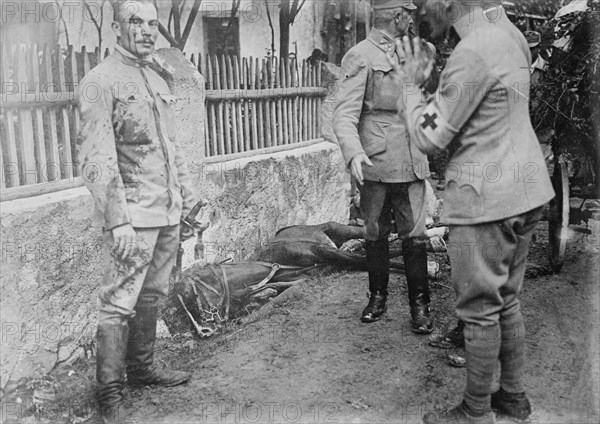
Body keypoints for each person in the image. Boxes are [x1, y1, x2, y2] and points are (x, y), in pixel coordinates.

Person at [386, 1, 555, 423]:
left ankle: (475, 412)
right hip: (526, 186)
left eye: (428, 3)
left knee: (479, 311)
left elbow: (432, 137)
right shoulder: (510, 34)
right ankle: (513, 398)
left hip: (486, 199)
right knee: (507, 301)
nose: (424, 12)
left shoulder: (471, 51)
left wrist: (411, 86)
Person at [76, 1, 197, 422]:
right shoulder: (100, 81)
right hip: (132, 217)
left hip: (166, 210)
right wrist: (119, 220)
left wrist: (187, 193)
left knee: (154, 293)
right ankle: (109, 395)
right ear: (116, 28)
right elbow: (97, 160)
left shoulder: (155, 75)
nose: (146, 31)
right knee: (118, 302)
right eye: (135, 22)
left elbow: (171, 144)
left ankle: (142, 369)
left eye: (152, 24)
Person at [333, 0, 434, 334]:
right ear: (398, 15)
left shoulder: (414, 51)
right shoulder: (360, 54)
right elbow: (344, 113)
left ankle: (420, 306)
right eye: (410, 15)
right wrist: (353, 153)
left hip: (412, 155)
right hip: (376, 158)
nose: (413, 20)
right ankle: (377, 297)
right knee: (374, 232)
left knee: (415, 235)